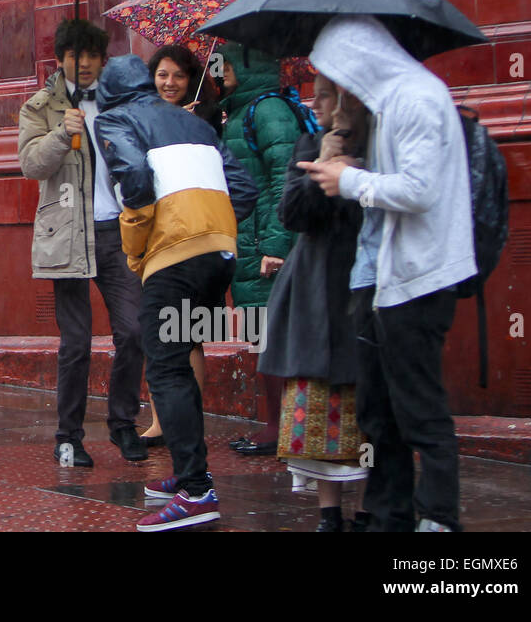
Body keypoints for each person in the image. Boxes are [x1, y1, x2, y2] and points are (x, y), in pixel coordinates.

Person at [299, 15, 475, 532]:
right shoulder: (385, 105)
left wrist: (348, 179)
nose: (333, 89)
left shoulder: (417, 97)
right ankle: (390, 517)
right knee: (379, 414)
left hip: (418, 280)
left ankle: (439, 520)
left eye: (335, 73)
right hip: (380, 282)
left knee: (419, 410)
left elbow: (419, 190)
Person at [96, 54, 257, 532]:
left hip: (174, 257)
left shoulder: (115, 117)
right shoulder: (192, 121)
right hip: (218, 253)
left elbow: (136, 183)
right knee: (183, 354)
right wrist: (214, 229)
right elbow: (242, 187)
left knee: (165, 366)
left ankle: (195, 490)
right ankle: (192, 473)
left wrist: (136, 244)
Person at [18, 19, 147, 466]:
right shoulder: (39, 106)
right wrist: (61, 133)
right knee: (76, 343)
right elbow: (31, 165)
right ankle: (68, 436)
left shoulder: (118, 101)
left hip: (117, 231)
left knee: (133, 330)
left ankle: (123, 425)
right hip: (67, 235)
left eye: (93, 55)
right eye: (76, 56)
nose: (85, 64)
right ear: (60, 59)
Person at [260, 73, 370, 531]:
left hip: (364, 288)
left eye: (326, 94)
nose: (316, 102)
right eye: (317, 94)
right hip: (313, 290)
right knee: (317, 399)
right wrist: (325, 160)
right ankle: (329, 513)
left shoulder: (381, 147)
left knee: (366, 401)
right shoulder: (308, 145)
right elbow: (292, 215)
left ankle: (367, 509)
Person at [214, 43, 303, 456]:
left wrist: (273, 244)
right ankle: (279, 425)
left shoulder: (266, 111)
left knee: (272, 336)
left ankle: (281, 427)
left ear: (250, 64)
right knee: (261, 334)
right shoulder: (243, 109)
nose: (221, 68)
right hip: (248, 240)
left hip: (264, 245)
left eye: (229, 62)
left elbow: (285, 178)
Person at [138, 44, 218, 448]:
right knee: (156, 332)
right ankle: (159, 419)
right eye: (162, 75)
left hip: (194, 236)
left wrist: (189, 128)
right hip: (156, 233)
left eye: (178, 76)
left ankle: (188, 419)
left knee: (187, 333)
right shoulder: (144, 117)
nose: (169, 83)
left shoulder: (205, 118)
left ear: (191, 81)